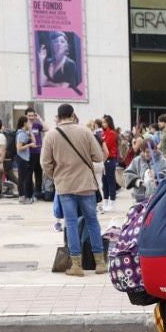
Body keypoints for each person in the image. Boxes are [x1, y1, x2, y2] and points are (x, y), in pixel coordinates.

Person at [40, 103, 106, 277]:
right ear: (73, 114)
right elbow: (99, 157)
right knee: (92, 222)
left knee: (71, 224)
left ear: (58, 116)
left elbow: (45, 163)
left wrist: (56, 175)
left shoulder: (51, 135)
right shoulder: (85, 131)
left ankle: (76, 265)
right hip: (86, 185)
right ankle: (100, 263)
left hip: (65, 186)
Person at [13, 115, 36, 204]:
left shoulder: (24, 132)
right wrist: (29, 145)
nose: (30, 124)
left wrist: (30, 130)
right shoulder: (21, 134)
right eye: (28, 122)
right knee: (23, 179)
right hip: (22, 158)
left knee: (24, 178)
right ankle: (23, 197)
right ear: (24, 123)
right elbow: (19, 147)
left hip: (25, 158)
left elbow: (34, 141)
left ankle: (24, 197)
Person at [99, 115, 121, 205]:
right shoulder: (102, 134)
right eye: (102, 122)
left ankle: (112, 201)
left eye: (104, 122)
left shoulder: (112, 133)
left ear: (108, 123)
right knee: (104, 181)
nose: (102, 124)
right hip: (103, 159)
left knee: (110, 181)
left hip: (110, 159)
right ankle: (105, 201)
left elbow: (106, 145)